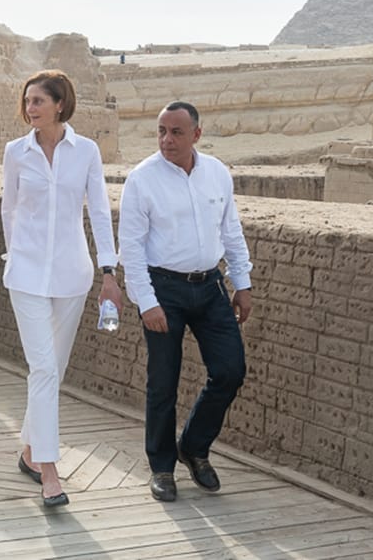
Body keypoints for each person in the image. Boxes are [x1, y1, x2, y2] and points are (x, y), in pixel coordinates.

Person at [117, 101, 254, 503]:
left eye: (176, 132)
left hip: (210, 286)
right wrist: (147, 302)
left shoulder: (217, 173)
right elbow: (132, 247)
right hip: (163, 290)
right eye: (161, 131)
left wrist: (241, 283)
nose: (166, 140)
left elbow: (231, 230)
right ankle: (161, 468)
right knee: (163, 382)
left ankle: (193, 446)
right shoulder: (142, 179)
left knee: (230, 370)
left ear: (196, 134)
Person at [1, 70, 120, 508]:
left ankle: (30, 450)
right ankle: (49, 472)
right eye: (27, 100)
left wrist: (110, 270)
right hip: (27, 276)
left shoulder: (86, 151)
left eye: (38, 101)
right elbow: (9, 209)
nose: (30, 108)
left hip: (73, 275)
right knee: (45, 367)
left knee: (54, 367)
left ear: (59, 104)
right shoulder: (16, 152)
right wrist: (16, 256)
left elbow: (100, 213)